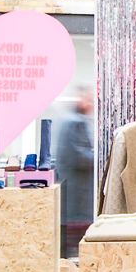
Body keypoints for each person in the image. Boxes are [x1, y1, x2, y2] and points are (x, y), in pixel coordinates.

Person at [53, 85, 96, 254]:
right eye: (89, 99)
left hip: (72, 193)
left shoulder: (71, 121)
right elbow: (80, 157)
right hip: (78, 193)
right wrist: (101, 157)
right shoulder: (76, 123)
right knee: (75, 244)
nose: (91, 104)